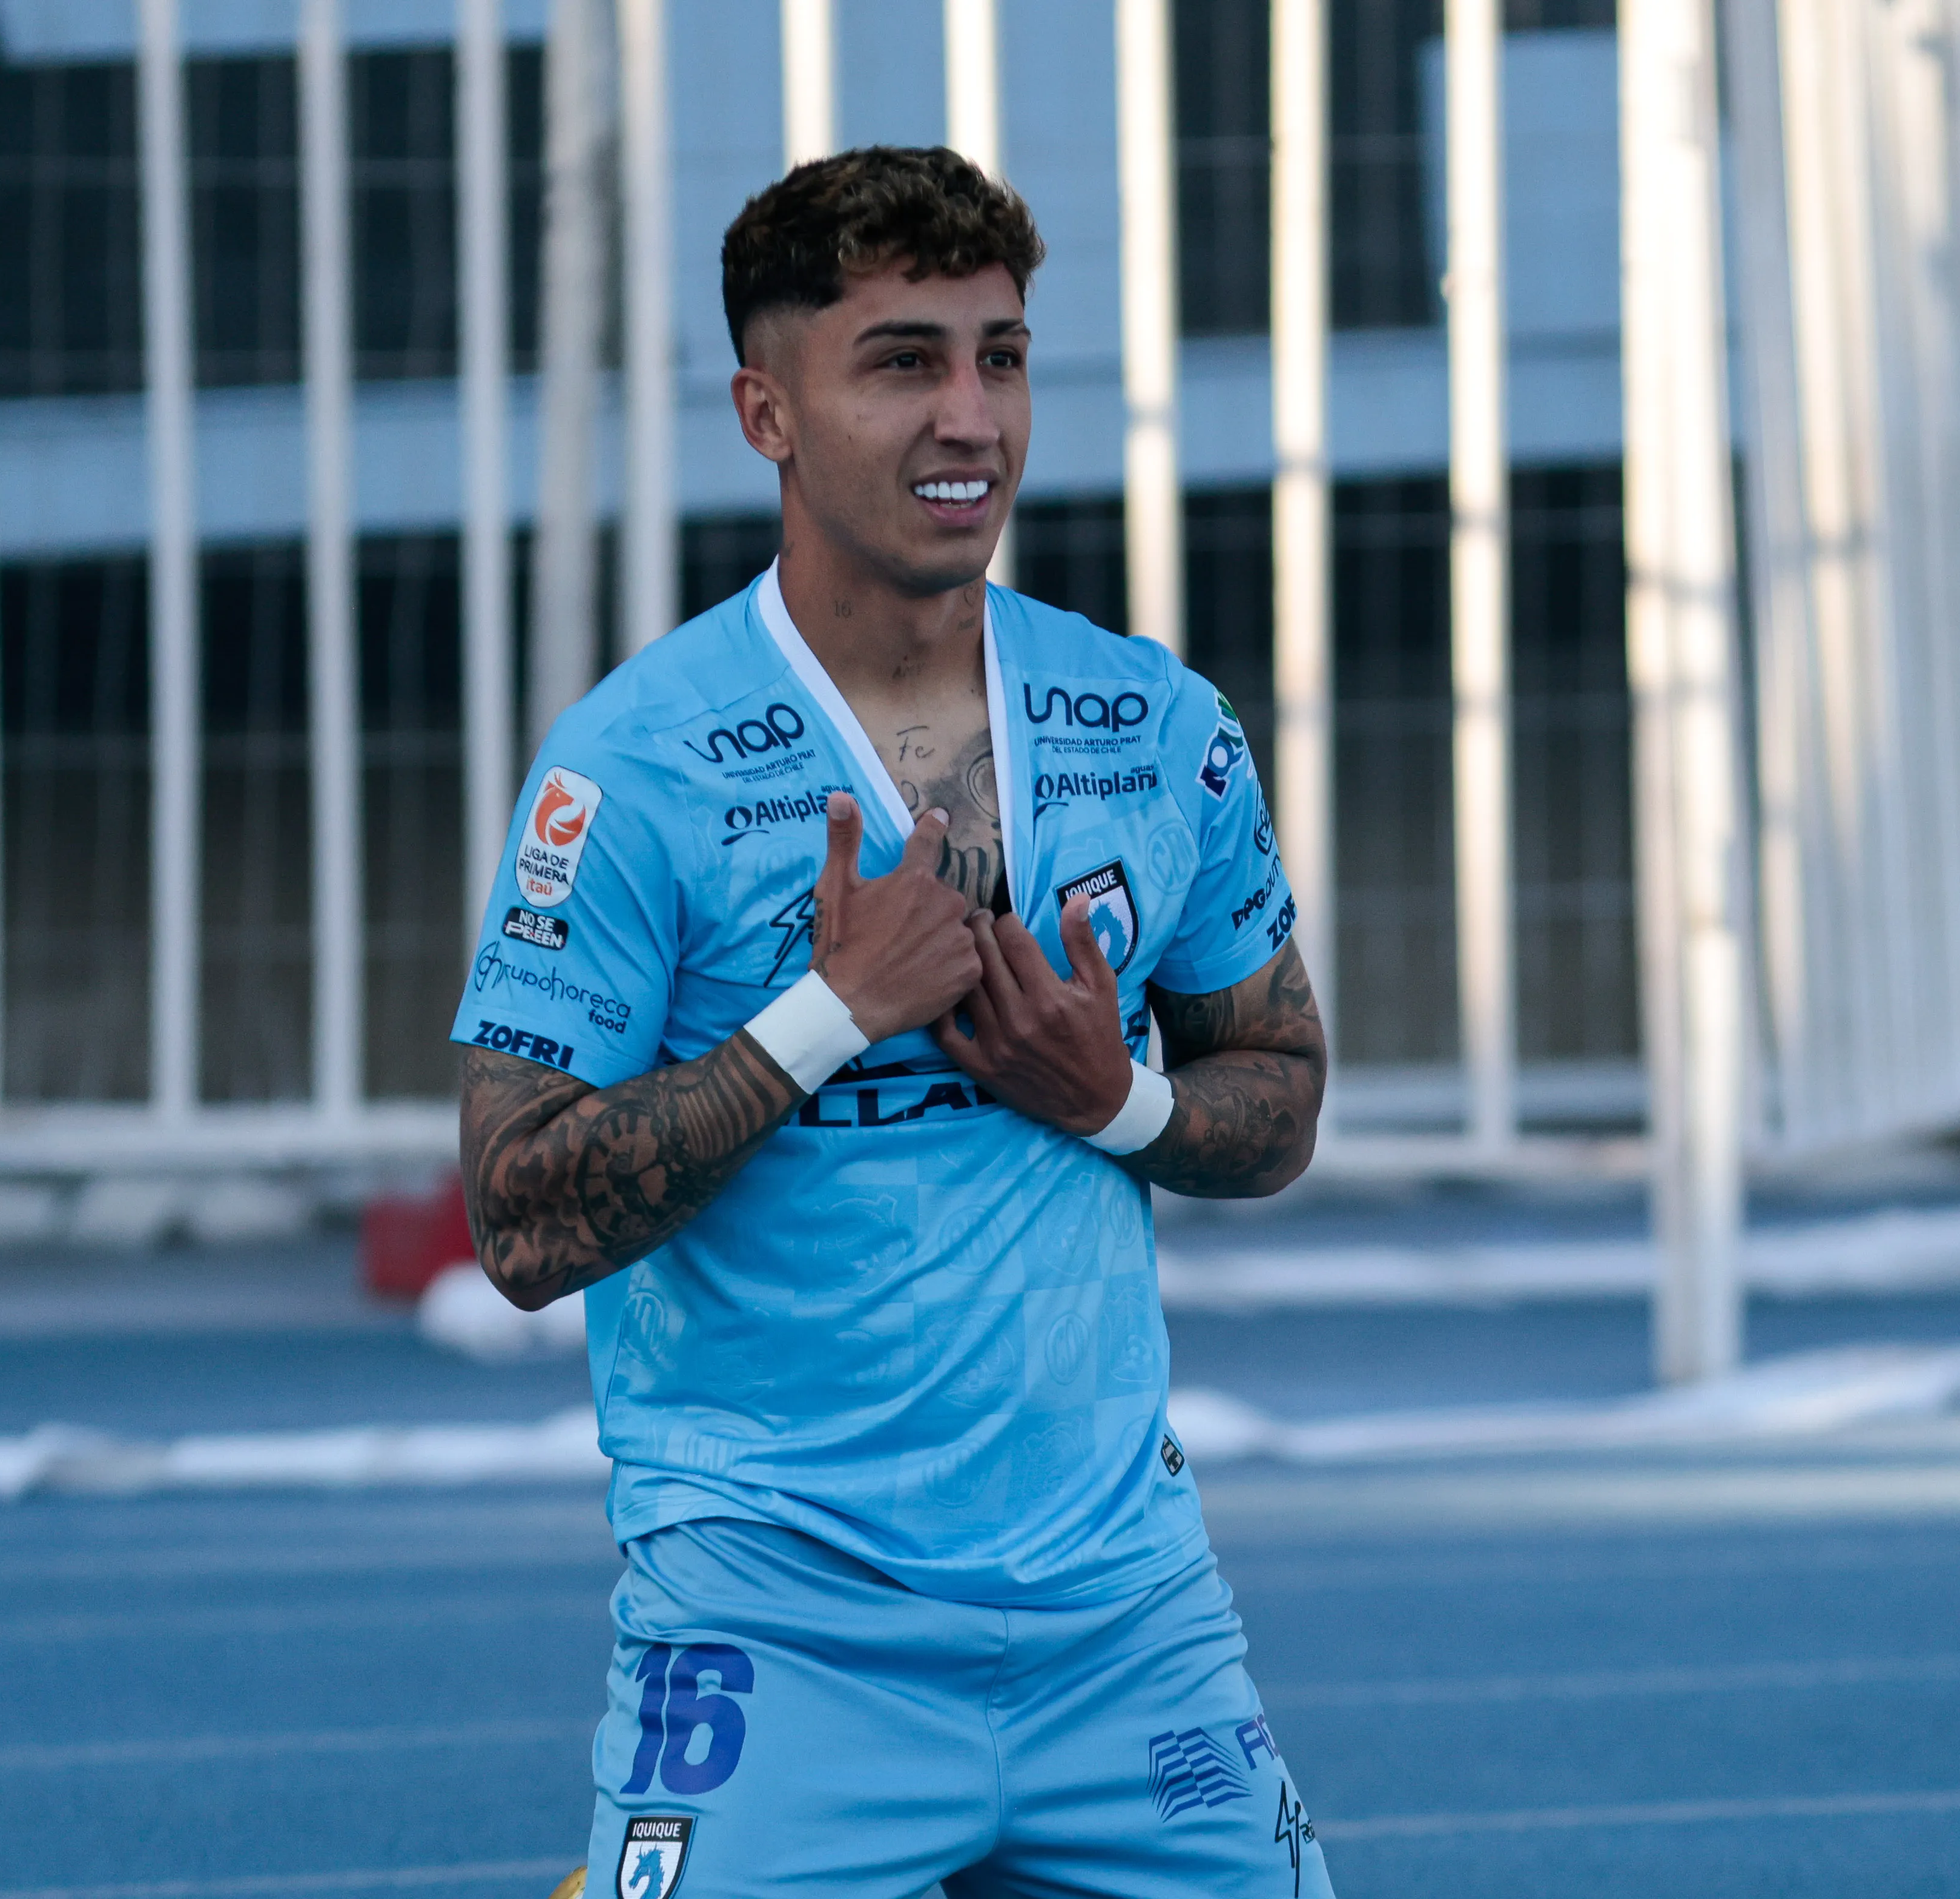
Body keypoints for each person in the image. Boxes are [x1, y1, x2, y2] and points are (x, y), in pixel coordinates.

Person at [454, 145, 1333, 1899]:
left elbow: (1283, 1089)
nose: (970, 417)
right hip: (783, 1636)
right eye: (904, 361)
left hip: (1125, 1622)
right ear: (766, 411)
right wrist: (826, 1018)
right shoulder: (631, 770)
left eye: (1000, 357)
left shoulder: (1151, 721)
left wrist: (1120, 1102)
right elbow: (520, 1222)